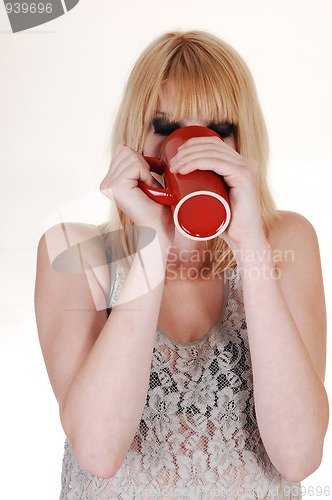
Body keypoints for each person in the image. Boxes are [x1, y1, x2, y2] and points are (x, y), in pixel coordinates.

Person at [34, 30, 329, 499]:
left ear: (241, 143)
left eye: (218, 133)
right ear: (136, 139)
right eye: (168, 131)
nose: (191, 155)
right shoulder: (74, 253)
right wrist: (152, 240)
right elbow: (98, 451)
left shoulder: (284, 242)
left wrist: (250, 243)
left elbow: (299, 456)